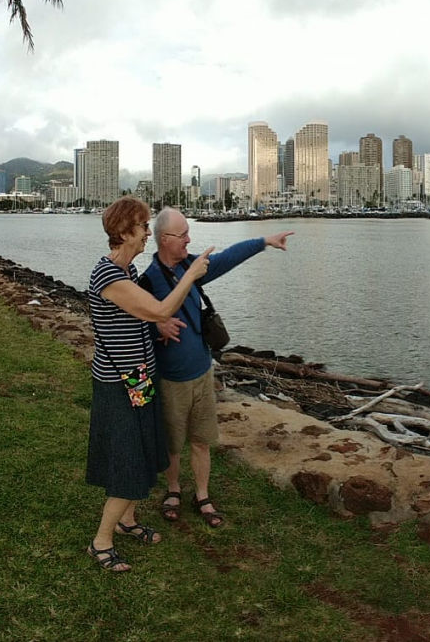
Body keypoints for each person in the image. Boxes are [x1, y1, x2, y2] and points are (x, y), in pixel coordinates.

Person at [142, 207, 293, 528]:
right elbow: (131, 323)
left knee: (201, 440)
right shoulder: (148, 281)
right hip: (170, 380)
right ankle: (172, 490)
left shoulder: (191, 266)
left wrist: (265, 240)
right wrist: (156, 328)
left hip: (202, 373)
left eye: (187, 234)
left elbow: (227, 258)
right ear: (165, 240)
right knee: (171, 443)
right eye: (182, 235)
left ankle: (202, 494)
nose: (188, 240)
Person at [86, 196, 212, 572]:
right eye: (142, 228)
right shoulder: (108, 275)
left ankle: (127, 521)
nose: (146, 235)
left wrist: (153, 323)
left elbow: (142, 316)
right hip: (119, 383)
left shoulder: (125, 272)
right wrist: (190, 275)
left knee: (141, 450)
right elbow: (158, 308)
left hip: (138, 377)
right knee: (128, 460)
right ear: (124, 232)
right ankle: (101, 541)